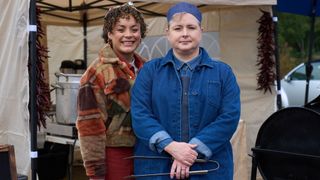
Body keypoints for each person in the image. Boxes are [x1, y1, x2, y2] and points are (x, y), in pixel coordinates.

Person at [131, 2, 240, 180]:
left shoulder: (223, 73)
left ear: (201, 31)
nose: (184, 34)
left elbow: (229, 117)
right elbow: (140, 115)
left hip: (208, 168)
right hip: (158, 167)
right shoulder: (150, 71)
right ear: (167, 32)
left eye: (191, 27)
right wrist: (171, 146)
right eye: (177, 28)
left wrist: (189, 153)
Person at [76, 2, 147, 180]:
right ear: (110, 34)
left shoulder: (148, 69)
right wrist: (96, 173)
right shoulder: (96, 73)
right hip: (115, 155)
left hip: (147, 153)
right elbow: (89, 127)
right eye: (121, 29)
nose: (128, 35)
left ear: (141, 33)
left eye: (134, 29)